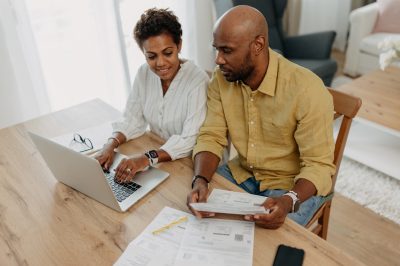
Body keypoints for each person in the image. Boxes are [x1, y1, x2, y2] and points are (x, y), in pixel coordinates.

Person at [187, 5, 336, 229]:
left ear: (257, 45)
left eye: (227, 50)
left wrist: (289, 201)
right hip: (243, 173)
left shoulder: (307, 89)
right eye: (216, 49)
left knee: (266, 248)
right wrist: (200, 180)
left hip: (292, 186)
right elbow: (211, 136)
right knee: (196, 217)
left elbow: (319, 167)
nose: (218, 60)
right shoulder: (221, 79)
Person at [96, 8, 208, 183]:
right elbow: (132, 119)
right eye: (151, 56)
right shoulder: (144, 73)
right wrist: (109, 145)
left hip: (191, 167)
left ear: (179, 45)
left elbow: (189, 140)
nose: (161, 63)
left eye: (168, 53)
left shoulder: (198, 81)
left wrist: (146, 158)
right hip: (159, 159)